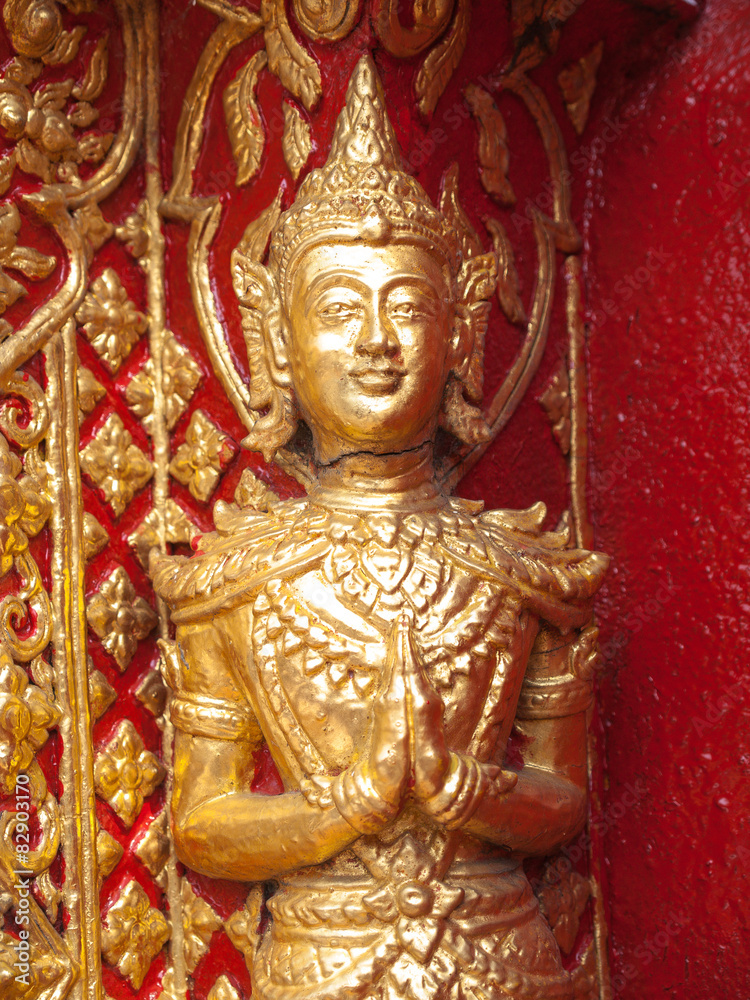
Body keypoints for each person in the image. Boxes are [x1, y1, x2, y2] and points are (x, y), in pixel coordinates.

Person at [152, 54, 608, 1000]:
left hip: (503, 962)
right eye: (338, 309)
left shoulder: (527, 572)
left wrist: (467, 791)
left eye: (407, 307)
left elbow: (563, 801)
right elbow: (202, 821)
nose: (375, 341)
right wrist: (340, 810)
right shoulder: (234, 582)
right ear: (278, 345)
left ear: (461, 337)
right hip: (323, 961)